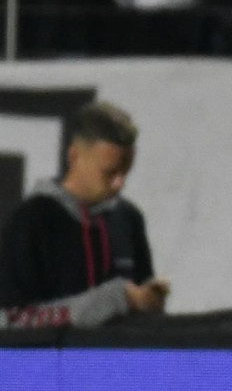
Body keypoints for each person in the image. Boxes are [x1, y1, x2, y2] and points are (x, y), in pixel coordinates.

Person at [0, 102, 167, 329]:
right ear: (74, 156)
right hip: (55, 364)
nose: (120, 184)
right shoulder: (31, 221)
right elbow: (10, 320)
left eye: (126, 172)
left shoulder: (129, 218)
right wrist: (113, 300)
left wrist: (149, 300)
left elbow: (145, 318)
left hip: (120, 364)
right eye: (109, 172)